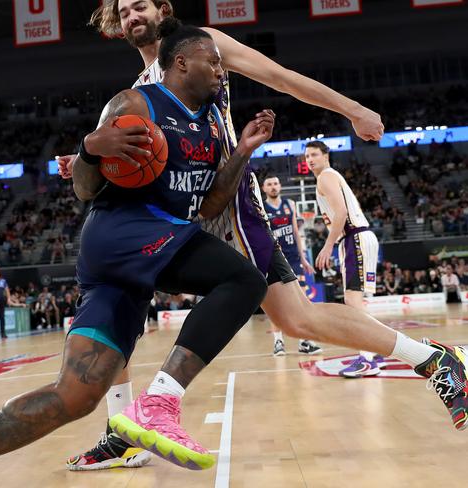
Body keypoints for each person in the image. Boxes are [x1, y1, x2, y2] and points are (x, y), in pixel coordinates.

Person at [62, 1, 468, 470]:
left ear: (162, 9)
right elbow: (127, 162)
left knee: (295, 318)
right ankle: (121, 434)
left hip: (228, 203)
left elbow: (282, 77)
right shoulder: (134, 92)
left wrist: (352, 109)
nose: (132, 15)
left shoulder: (203, 47)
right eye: (124, 11)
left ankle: (435, 358)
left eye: (140, 5)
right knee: (119, 299)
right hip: (175, 211)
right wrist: (90, 161)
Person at [0, 22, 275, 485]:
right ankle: (159, 402)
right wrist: (90, 148)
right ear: (180, 63)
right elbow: (85, 188)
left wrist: (244, 151)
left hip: (135, 259)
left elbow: (209, 203)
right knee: (246, 280)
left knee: (74, 396)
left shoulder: (212, 123)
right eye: (212, 62)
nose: (221, 70)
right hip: (126, 232)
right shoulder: (136, 104)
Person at [309, 141, 387, 377]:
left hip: (354, 237)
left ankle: (366, 359)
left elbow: (341, 212)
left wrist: (327, 245)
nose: (310, 159)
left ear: (326, 156)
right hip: (357, 237)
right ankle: (376, 351)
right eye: (306, 156)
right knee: (357, 301)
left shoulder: (326, 176)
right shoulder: (329, 177)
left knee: (353, 302)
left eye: (314, 154)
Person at [262, 175, 321, 356]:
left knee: (300, 300)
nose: (273, 187)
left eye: (276, 183)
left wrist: (303, 258)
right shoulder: (261, 207)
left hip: (294, 258)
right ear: (264, 188)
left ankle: (304, 342)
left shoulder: (290, 204)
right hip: (274, 258)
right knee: (277, 303)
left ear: (280, 186)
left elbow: (296, 231)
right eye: (269, 184)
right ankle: (278, 342)